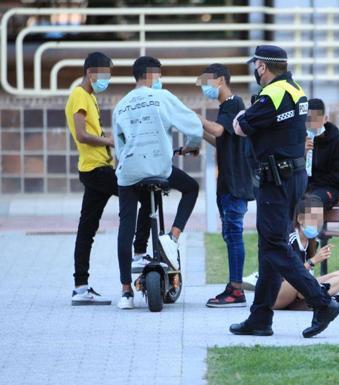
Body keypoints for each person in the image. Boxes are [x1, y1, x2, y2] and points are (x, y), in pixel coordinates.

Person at [230, 45, 339, 338]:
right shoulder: (296, 90)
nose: (254, 71)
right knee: (270, 246)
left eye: (255, 65)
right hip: (292, 178)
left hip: (276, 180)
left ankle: (321, 302)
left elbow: (241, 126)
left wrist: (242, 114)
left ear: (263, 67)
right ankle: (260, 317)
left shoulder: (271, 95)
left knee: (275, 245)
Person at [113, 56, 202, 309]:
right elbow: (194, 126)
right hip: (159, 169)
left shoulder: (121, 105)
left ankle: (126, 292)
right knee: (191, 188)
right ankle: (172, 238)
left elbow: (118, 146)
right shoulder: (162, 97)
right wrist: (192, 147)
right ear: (154, 75)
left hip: (129, 172)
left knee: (125, 226)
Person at [66, 52, 151, 306]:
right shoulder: (79, 96)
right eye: (104, 75)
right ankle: (138, 252)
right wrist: (109, 141)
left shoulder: (89, 97)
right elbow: (82, 135)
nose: (107, 80)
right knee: (145, 195)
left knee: (87, 227)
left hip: (97, 168)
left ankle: (80, 287)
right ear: (91, 72)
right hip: (96, 170)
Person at [195, 64, 256, 308]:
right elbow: (220, 139)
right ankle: (234, 287)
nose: (205, 88)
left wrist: (197, 118)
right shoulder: (227, 106)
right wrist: (199, 130)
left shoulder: (233, 103)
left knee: (233, 235)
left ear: (220, 79)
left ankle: (236, 290)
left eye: (206, 82)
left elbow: (219, 129)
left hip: (235, 183)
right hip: (229, 183)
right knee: (230, 234)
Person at [247, 195, 339, 310]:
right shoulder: (288, 240)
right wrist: (312, 261)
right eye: (313, 217)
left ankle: (317, 298)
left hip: (298, 292)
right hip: (277, 294)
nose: (316, 222)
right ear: (300, 219)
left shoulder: (313, 242)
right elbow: (288, 276)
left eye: (319, 218)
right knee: (299, 284)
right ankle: (324, 298)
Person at [305, 98, 339, 210]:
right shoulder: (300, 139)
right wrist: (302, 153)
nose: (312, 125)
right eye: (308, 120)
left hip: (328, 188)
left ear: (325, 119)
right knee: (287, 197)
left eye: (316, 120)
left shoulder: (336, 141)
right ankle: (292, 228)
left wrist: (314, 187)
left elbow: (337, 179)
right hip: (304, 186)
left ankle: (312, 228)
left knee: (313, 201)